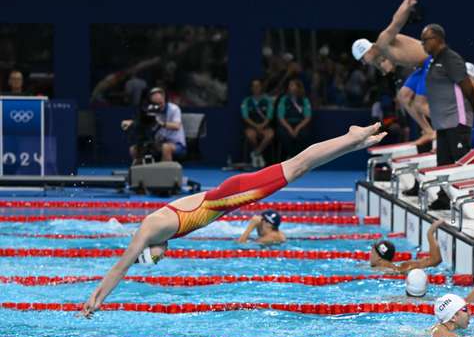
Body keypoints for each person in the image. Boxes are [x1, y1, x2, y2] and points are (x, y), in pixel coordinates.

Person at [80, 123, 388, 316]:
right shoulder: (159, 233)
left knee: (296, 166)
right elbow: (139, 260)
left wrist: (97, 298)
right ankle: (353, 142)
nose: (159, 260)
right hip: (227, 197)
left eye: (153, 259)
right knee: (298, 169)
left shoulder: (148, 231)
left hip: (229, 196)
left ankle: (351, 136)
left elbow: (120, 266)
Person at [352, 0, 434, 148]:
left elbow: (396, 22)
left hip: (432, 61)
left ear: (365, 53)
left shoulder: (383, 42)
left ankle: (449, 128)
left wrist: (407, 5)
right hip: (421, 67)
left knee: (419, 103)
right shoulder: (381, 56)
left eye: (363, 60)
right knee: (403, 96)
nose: (366, 64)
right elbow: (388, 66)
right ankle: (429, 131)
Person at [419, 23, 474, 209]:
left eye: (425, 41)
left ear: (437, 39)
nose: (423, 45)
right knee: (443, 162)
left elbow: (467, 86)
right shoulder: (434, 61)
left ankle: (467, 201)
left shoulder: (450, 58)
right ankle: (445, 198)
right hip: (442, 123)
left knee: (460, 162)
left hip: (457, 120)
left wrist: (473, 107)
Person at [431, 255, 474, 337]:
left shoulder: (449, 323)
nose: (470, 313)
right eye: (465, 310)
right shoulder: (440, 333)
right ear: (453, 317)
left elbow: (473, 299)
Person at [122, 87, 186, 164]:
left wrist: (161, 123)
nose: (159, 106)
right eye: (156, 104)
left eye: (160, 103)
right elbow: (142, 121)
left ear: (164, 99)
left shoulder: (174, 109)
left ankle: (165, 174)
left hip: (176, 144)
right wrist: (130, 122)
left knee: (165, 148)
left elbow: (176, 126)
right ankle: (139, 174)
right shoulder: (150, 109)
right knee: (134, 149)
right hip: (158, 143)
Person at [369, 218, 444, 273]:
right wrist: (430, 234)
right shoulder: (405, 267)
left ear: (379, 258)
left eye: (372, 252)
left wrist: (429, 234)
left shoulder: (375, 271)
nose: (370, 255)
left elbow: (436, 260)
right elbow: (435, 260)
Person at [241, 78, 275, 168]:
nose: (256, 88)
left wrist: (262, 126)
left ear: (261, 87)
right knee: (250, 135)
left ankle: (256, 153)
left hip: (264, 126)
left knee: (270, 135)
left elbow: (269, 116)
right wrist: (256, 126)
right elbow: (245, 117)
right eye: (254, 86)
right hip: (252, 126)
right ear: (251, 88)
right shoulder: (246, 101)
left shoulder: (267, 100)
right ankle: (258, 156)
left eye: (258, 86)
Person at [276, 78, 313, 159]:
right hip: (287, 124)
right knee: (283, 134)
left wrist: (297, 128)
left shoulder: (304, 100)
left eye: (292, 85)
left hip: (300, 124)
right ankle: (290, 156)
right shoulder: (284, 99)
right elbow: (281, 117)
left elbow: (307, 117)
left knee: (304, 134)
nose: (290, 87)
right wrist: (289, 128)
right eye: (290, 85)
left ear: (298, 87)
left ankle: (299, 157)